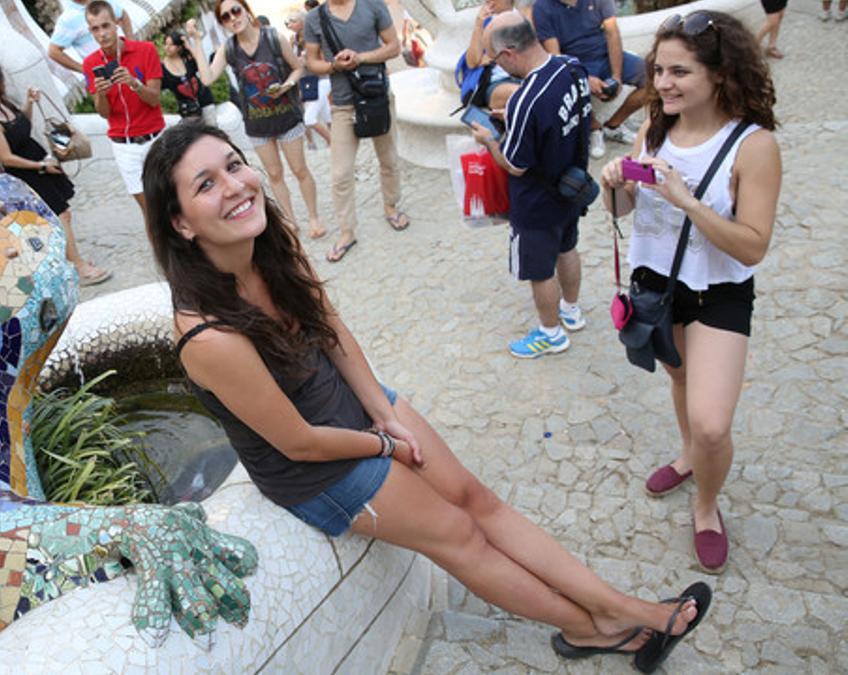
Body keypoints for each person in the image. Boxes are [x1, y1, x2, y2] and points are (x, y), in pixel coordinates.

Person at [143, 121, 711, 673]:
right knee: (458, 535)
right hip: (316, 467)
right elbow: (299, 442)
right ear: (181, 224)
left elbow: (331, 328)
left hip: (353, 410)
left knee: (477, 499)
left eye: (234, 165)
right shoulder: (207, 335)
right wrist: (385, 444)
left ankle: (612, 606)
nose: (236, 185)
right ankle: (595, 625)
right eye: (206, 184)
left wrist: (385, 409)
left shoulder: (267, 243)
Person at [599, 11, 780, 574]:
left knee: (712, 422)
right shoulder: (654, 128)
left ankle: (706, 503)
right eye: (659, 70)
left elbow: (751, 248)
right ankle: (686, 458)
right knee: (680, 380)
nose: (663, 83)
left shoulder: (753, 147)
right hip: (659, 282)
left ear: (720, 75)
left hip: (719, 291)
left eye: (680, 71)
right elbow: (624, 212)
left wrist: (690, 201)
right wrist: (615, 187)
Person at [469, 11, 587, 359]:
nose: (497, 65)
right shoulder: (571, 66)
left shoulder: (523, 99)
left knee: (539, 270)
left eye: (494, 57)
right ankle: (572, 310)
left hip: (536, 202)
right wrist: (519, 122)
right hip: (571, 186)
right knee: (568, 248)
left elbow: (516, 166)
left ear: (508, 52)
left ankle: (550, 334)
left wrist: (489, 141)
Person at [190, 1, 325, 240]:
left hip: (287, 118)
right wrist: (197, 43)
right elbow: (208, 78)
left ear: (246, 10)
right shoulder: (228, 48)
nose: (233, 18)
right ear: (223, 23)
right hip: (257, 125)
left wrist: (287, 85)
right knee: (274, 174)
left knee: (300, 170)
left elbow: (298, 68)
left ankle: (314, 217)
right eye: (226, 17)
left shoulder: (273, 38)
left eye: (236, 10)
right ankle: (290, 221)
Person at [0, 59, 111, 286]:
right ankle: (77, 266)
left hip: (38, 163)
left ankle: (71, 261)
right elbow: (6, 157)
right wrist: (41, 166)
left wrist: (29, 103)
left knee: (61, 214)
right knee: (59, 215)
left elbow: (21, 126)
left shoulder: (5, 106)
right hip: (29, 172)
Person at [304, 0, 409, 263]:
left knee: (389, 159)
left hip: (376, 96)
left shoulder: (372, 5)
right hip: (342, 105)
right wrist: (335, 66)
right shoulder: (315, 18)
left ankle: (390, 206)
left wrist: (361, 57)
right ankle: (347, 231)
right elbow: (312, 62)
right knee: (340, 174)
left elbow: (394, 46)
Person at [83, 0, 166, 222]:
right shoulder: (91, 64)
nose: (102, 34)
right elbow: (104, 114)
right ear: (90, 31)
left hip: (154, 138)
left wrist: (134, 83)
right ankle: (165, 256)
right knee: (149, 212)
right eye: (95, 29)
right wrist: (100, 94)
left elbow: (154, 99)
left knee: (171, 199)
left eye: (105, 25)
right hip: (123, 145)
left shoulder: (145, 50)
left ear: (116, 24)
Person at [533, 0, 646, 158]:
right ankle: (594, 129)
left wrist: (616, 76)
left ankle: (613, 126)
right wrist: (584, 78)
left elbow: (612, 33)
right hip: (574, 63)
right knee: (563, 82)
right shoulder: (542, 7)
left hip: (603, 55)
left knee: (652, 78)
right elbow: (556, 56)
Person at [460, 0, 523, 118]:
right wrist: (479, 24)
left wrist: (493, 56)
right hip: (495, 83)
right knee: (525, 94)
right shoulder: (486, 21)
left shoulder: (522, 18)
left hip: (522, 78)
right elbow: (472, 62)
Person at [285, 11, 332, 149]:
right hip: (306, 82)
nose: (289, 24)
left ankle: (332, 141)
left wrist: (306, 62)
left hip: (321, 80)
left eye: (293, 20)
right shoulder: (293, 41)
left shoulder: (314, 38)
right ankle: (338, 142)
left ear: (303, 21)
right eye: (287, 22)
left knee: (309, 118)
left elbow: (325, 59)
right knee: (326, 114)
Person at [47, 0, 134, 73]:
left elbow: (123, 15)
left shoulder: (103, 2)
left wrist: (132, 44)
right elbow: (53, 51)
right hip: (107, 72)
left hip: (129, 58)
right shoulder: (67, 19)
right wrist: (84, 70)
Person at [161, 30, 218, 126]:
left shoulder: (187, 58)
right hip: (188, 111)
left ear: (179, 47)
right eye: (165, 44)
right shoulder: (162, 67)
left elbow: (202, 65)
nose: (167, 48)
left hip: (205, 100)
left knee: (213, 131)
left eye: (171, 45)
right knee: (198, 137)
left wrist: (189, 47)